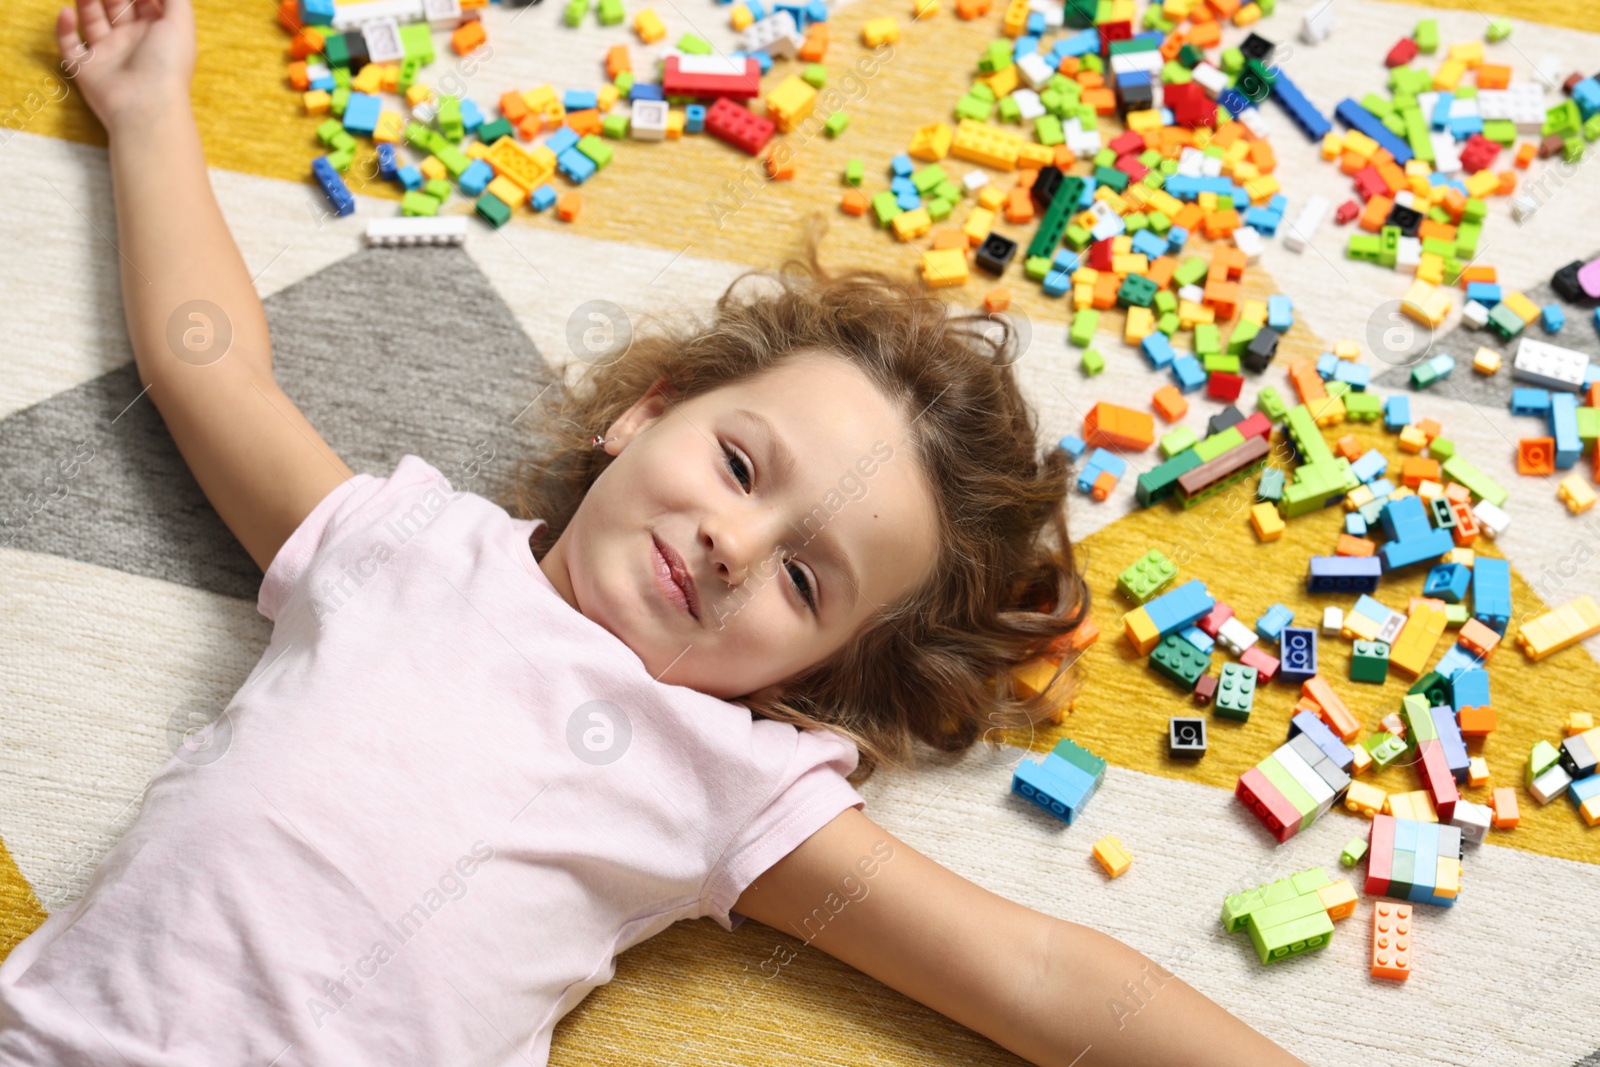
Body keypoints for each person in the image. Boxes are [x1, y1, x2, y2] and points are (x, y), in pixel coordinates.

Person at [0, 2, 1305, 1063]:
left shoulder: (722, 774)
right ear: (642, 413)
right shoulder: (403, 545)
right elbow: (210, 370)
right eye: (741, 465)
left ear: (807, 679)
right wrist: (149, 109)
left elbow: (1032, 971)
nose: (738, 544)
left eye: (805, 577)